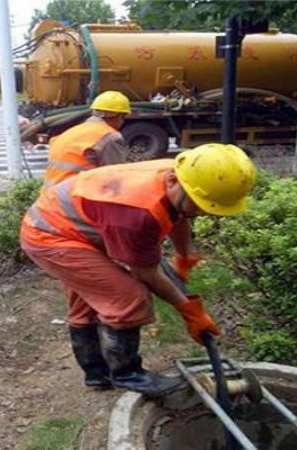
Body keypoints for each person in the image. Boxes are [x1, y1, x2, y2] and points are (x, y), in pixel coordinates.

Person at [20, 143, 257, 397]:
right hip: (50, 236)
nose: (201, 212)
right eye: (199, 205)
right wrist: (190, 311)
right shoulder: (138, 213)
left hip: (74, 225)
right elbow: (146, 273)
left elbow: (178, 214)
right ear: (175, 182)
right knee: (129, 298)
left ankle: (97, 374)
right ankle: (127, 374)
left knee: (89, 301)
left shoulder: (182, 174)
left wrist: (184, 253)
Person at [42, 90, 131, 191]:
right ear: (119, 116)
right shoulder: (109, 137)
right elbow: (115, 178)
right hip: (74, 199)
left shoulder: (72, 131)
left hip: (49, 198)